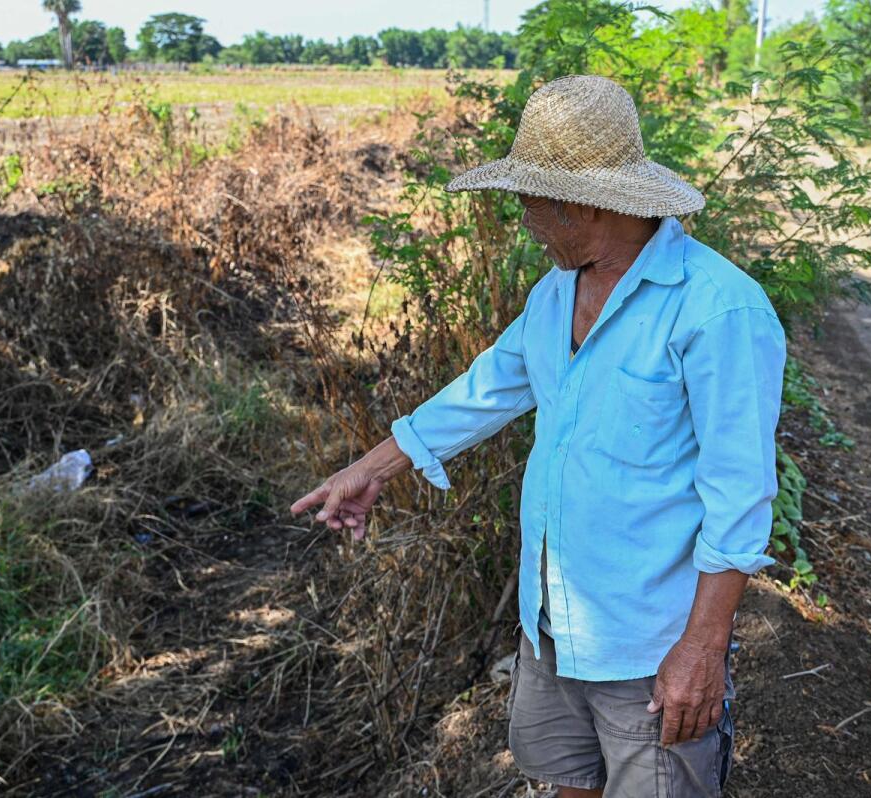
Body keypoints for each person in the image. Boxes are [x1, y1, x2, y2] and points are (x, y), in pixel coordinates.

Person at [290, 74, 786, 798]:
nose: (522, 218)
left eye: (528, 200)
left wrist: (703, 649)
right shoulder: (556, 294)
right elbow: (485, 391)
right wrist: (373, 467)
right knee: (566, 785)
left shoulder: (717, 311)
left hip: (649, 646)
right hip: (553, 626)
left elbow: (741, 496)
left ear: (581, 203)